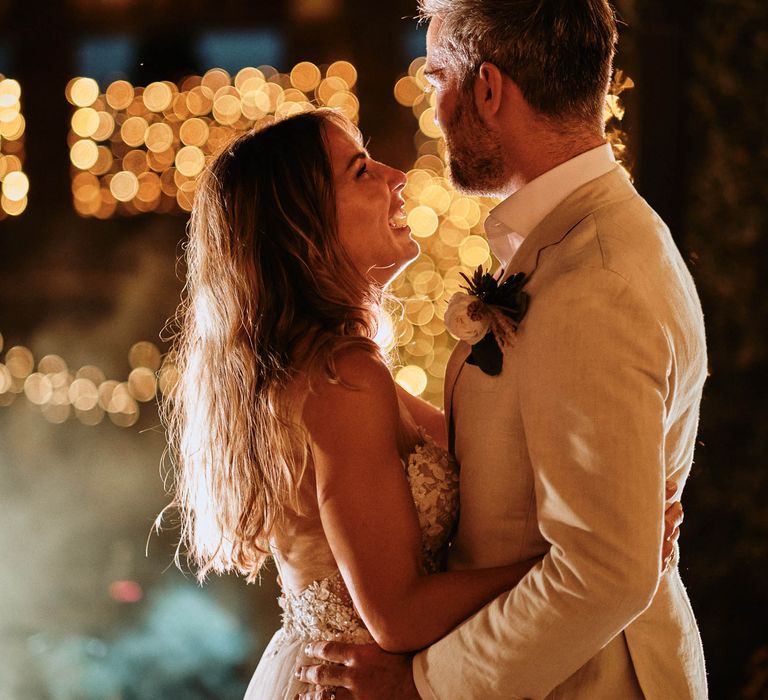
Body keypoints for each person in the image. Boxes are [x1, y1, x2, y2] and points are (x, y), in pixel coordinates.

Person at [163, 107, 681, 700]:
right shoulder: (340, 378)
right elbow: (399, 615)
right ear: (302, 225)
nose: (396, 175)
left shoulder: (325, 368)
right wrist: (587, 560)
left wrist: (620, 501)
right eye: (360, 171)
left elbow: (485, 453)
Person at [298, 1, 708, 699]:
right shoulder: (574, 248)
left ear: (487, 89)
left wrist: (423, 688)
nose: (432, 111)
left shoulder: (593, 280)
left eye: (436, 81)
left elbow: (603, 573)